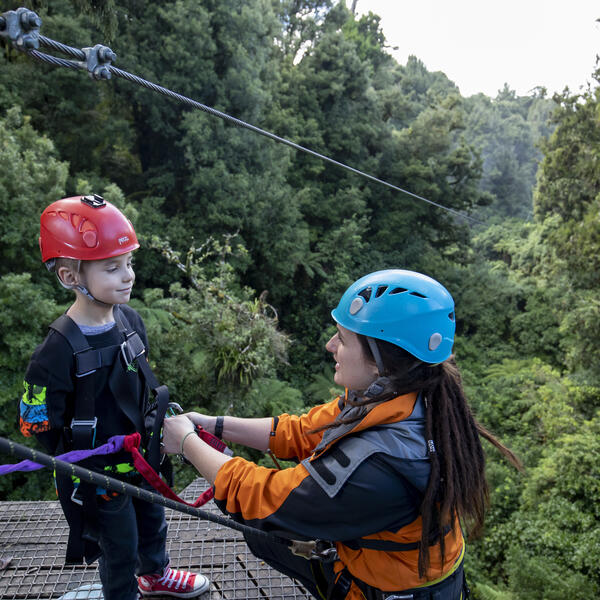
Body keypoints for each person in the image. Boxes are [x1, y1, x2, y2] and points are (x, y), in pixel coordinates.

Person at [162, 269, 522, 600]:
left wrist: (186, 443)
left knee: (260, 526)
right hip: (407, 570)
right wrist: (213, 425)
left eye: (343, 339)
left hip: (386, 590)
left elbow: (267, 499)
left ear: (381, 360)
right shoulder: (407, 394)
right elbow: (304, 430)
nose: (330, 346)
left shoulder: (381, 467)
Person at [19, 194, 210, 600]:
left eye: (128, 263)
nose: (128, 276)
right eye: (112, 267)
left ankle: (155, 575)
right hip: (98, 471)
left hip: (143, 457)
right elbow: (34, 420)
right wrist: (76, 459)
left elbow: (137, 386)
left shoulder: (130, 322)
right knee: (118, 545)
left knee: (153, 520)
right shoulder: (55, 351)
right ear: (71, 277)